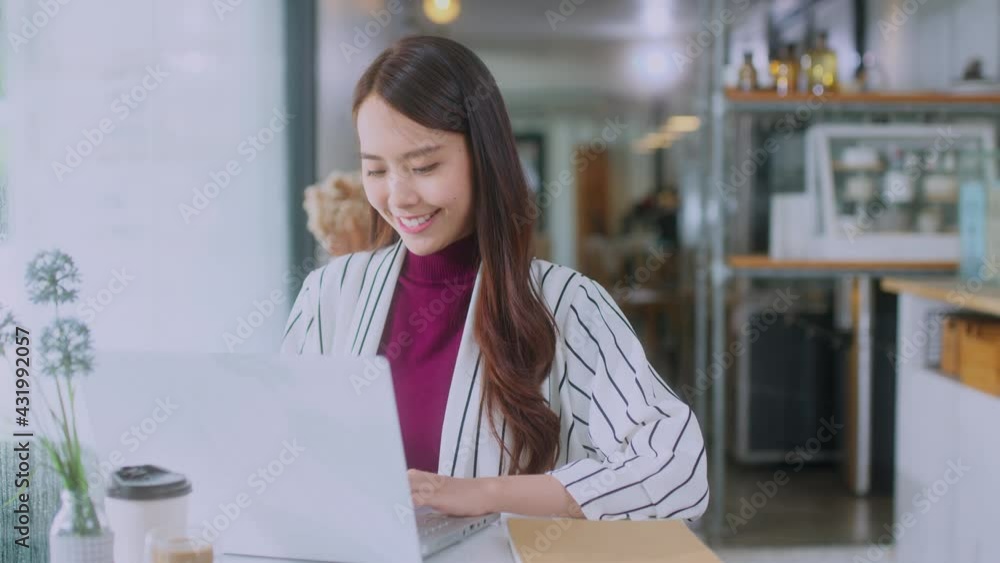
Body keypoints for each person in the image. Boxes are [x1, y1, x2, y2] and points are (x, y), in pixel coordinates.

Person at [281, 36, 708, 521]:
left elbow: (678, 471)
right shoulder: (330, 295)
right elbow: (282, 458)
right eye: (375, 170)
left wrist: (485, 494)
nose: (398, 197)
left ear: (484, 158)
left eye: (423, 166)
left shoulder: (567, 304)